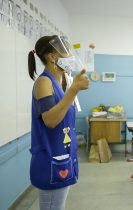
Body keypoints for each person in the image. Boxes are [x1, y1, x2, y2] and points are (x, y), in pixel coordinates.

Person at [28, 35, 89, 210]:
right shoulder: (44, 82)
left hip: (62, 157)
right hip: (50, 159)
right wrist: (74, 89)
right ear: (52, 57)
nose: (69, 56)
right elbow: (50, 120)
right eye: (65, 52)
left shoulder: (58, 83)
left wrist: (71, 89)